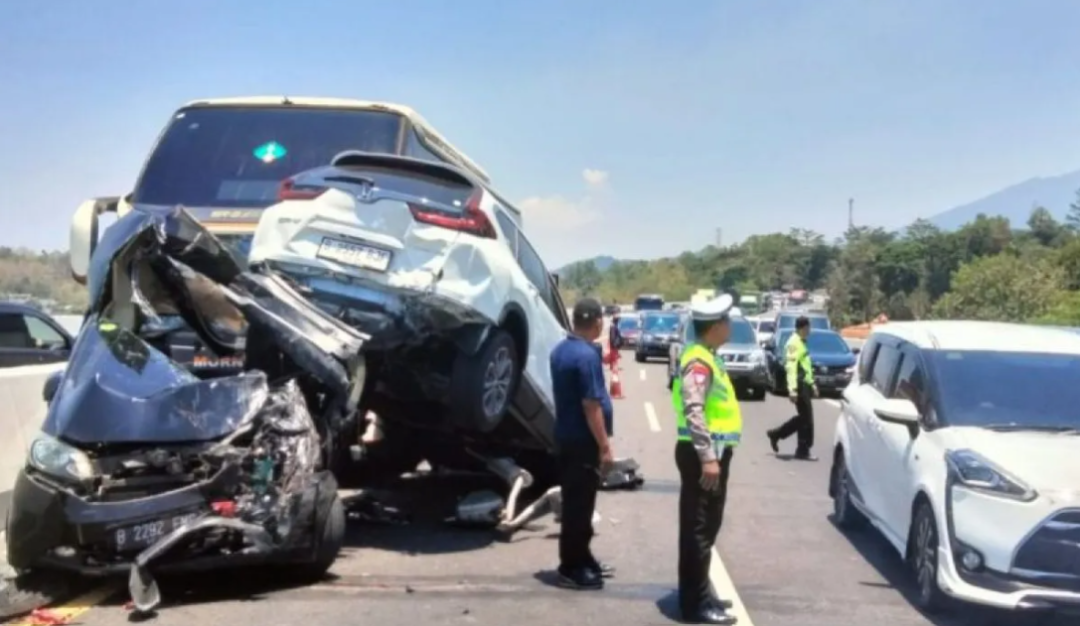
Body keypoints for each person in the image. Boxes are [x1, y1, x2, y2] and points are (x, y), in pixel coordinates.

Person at [672, 294, 741, 625]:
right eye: (726, 321)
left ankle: (701, 592)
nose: (730, 326)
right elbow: (694, 409)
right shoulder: (698, 361)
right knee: (698, 530)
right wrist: (708, 457)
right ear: (715, 327)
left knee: (706, 528)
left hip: (710, 454)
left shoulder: (708, 356)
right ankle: (695, 606)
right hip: (702, 456)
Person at [549, 297, 616, 590]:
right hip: (582, 442)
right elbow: (591, 405)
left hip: (566, 436)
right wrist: (605, 446)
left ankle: (583, 557)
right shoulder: (586, 356)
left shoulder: (561, 350)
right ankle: (570, 566)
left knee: (581, 505)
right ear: (598, 323)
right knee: (578, 508)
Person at [767, 316, 819, 460]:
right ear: (803, 328)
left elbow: (805, 367)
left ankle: (778, 435)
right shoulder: (793, 343)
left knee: (804, 418)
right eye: (809, 327)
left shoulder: (802, 343)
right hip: (798, 385)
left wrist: (812, 384)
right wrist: (792, 389)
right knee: (806, 419)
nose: (810, 330)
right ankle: (801, 449)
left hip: (805, 384)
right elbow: (791, 367)